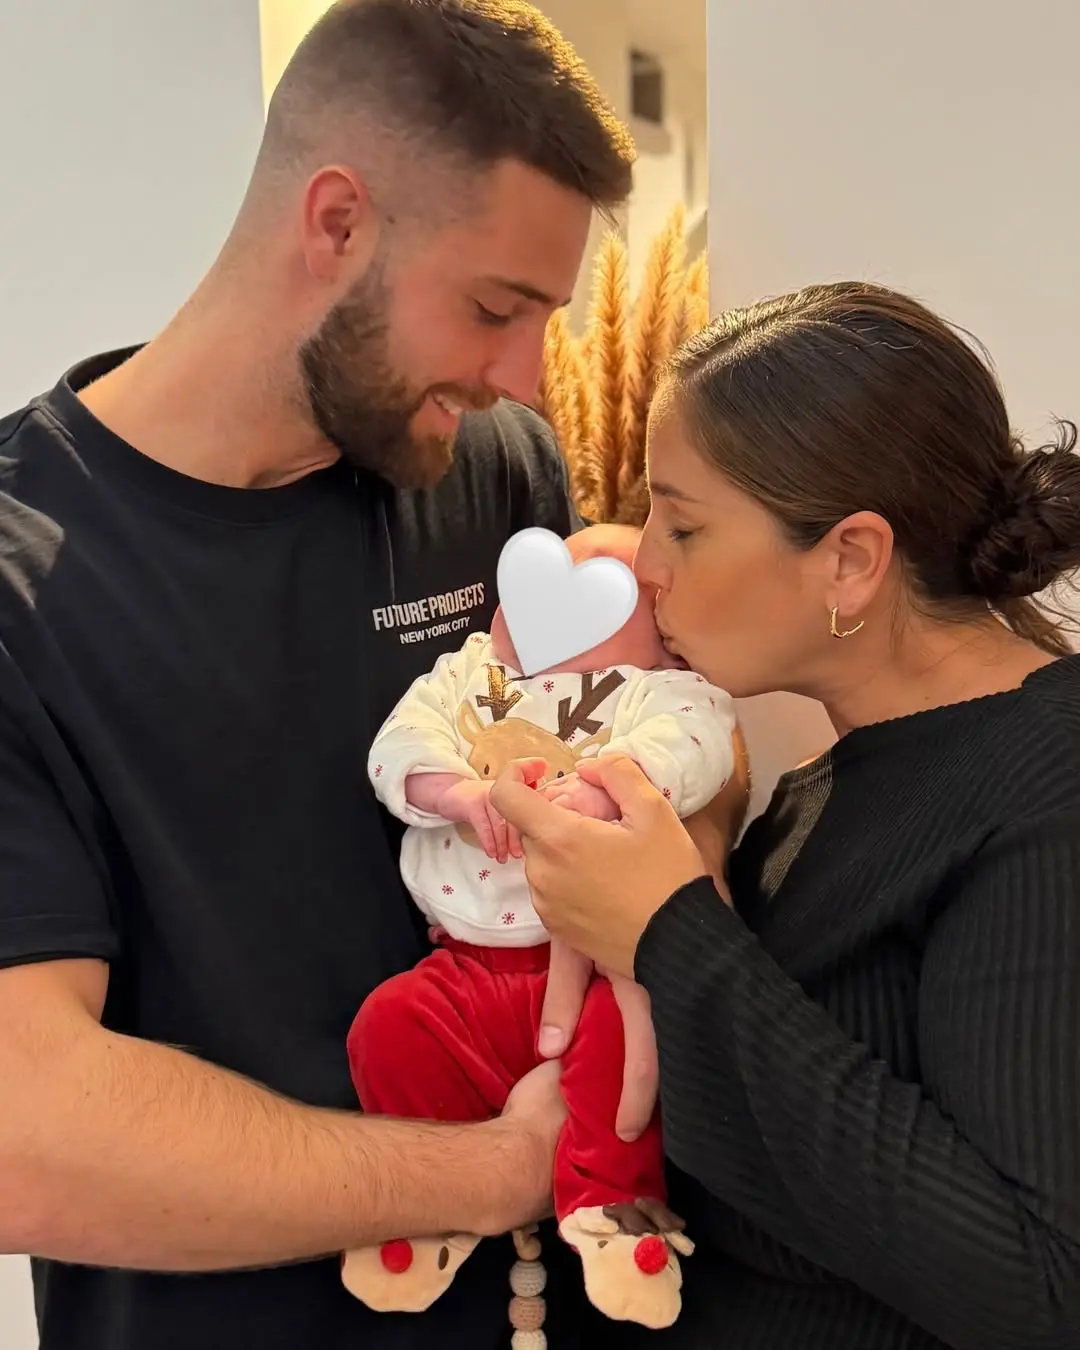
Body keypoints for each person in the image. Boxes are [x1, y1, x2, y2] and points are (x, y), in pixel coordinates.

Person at [0, 3, 642, 1348]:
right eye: (493, 307)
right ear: (337, 221)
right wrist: (498, 1170)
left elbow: (612, 784)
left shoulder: (497, 474)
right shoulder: (19, 576)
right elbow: (24, 1127)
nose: (524, 375)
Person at [493, 281, 1080, 1349]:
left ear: (851, 559)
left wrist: (671, 937)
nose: (645, 570)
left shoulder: (1049, 794)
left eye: (682, 526)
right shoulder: (835, 765)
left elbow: (1040, 1288)